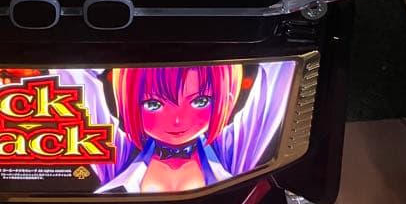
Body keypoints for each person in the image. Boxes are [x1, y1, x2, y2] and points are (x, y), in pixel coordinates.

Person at [56, 63, 294, 194]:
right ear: (127, 105)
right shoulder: (119, 157)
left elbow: (279, 70)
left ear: (225, 100)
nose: (178, 121)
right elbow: (74, 73)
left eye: (200, 101)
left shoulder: (232, 154)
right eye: (154, 104)